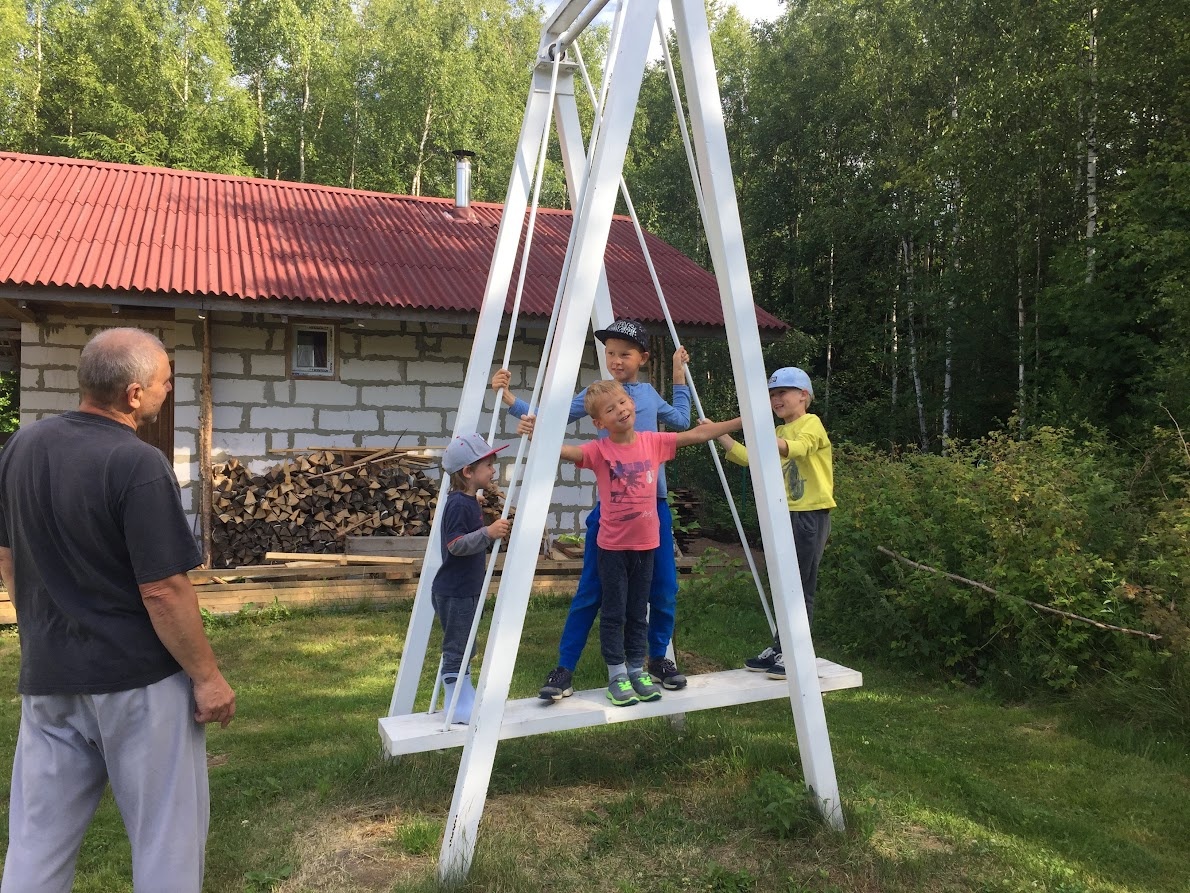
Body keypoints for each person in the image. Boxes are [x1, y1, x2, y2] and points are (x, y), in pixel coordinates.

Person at [0, 327, 236, 893]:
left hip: (49, 680)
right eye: (164, 381)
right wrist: (207, 678)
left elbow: (7, 556)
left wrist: (39, 628)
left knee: (36, 840)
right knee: (166, 839)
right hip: (139, 684)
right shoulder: (137, 462)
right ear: (134, 394)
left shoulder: (20, 448)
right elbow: (164, 590)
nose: (167, 389)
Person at [491, 319, 693, 699]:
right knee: (591, 591)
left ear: (643, 358)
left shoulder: (646, 396)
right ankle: (564, 669)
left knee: (664, 588)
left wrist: (679, 375)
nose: (616, 360)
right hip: (612, 514)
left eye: (625, 354)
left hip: (654, 509)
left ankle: (658, 659)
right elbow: (551, 419)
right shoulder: (597, 395)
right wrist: (512, 403)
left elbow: (682, 421)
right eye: (610, 353)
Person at [520, 380, 740, 705]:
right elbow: (565, 451)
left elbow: (695, 434)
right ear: (599, 422)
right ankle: (617, 676)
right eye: (611, 409)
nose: (621, 409)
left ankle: (637, 670)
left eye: (623, 402)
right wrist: (537, 433)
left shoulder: (653, 442)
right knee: (614, 613)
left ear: (632, 404)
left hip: (647, 547)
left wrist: (743, 419)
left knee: (639, 612)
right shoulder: (599, 451)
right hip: (612, 548)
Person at [714, 367, 835, 680]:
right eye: (772, 395)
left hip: (810, 514)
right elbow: (748, 456)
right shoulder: (778, 431)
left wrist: (761, 432)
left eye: (782, 393)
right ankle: (782, 646)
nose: (775, 399)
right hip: (785, 513)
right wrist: (720, 434)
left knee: (800, 586)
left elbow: (798, 447)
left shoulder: (811, 423)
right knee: (784, 584)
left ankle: (798, 652)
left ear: (803, 396)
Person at [431, 433, 511, 724]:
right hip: (455, 591)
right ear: (468, 472)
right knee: (457, 647)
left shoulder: (466, 501)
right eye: (488, 465)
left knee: (466, 645)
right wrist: (487, 534)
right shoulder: (458, 505)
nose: (493, 470)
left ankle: (465, 697)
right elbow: (455, 545)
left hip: (464, 589)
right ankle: (455, 704)